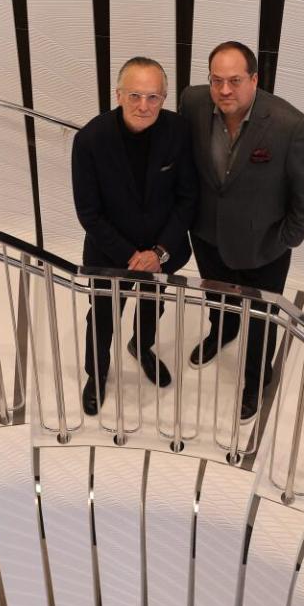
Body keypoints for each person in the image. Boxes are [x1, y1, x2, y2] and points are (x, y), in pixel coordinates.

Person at [179, 41, 304, 421]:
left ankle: (256, 382)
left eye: (235, 80)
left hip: (264, 250)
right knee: (218, 302)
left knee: (261, 323)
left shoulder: (292, 126)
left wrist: (283, 241)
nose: (224, 90)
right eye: (216, 80)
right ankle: (221, 333)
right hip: (208, 238)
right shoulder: (192, 103)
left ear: (255, 79)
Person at [72, 56, 197, 415]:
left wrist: (158, 252)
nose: (144, 106)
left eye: (154, 97)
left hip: (161, 250)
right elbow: (89, 213)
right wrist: (132, 256)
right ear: (119, 94)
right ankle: (96, 375)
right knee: (102, 316)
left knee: (152, 304)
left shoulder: (179, 131)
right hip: (109, 253)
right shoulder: (89, 140)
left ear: (164, 96)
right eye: (135, 96)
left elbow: (188, 198)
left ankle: (141, 348)